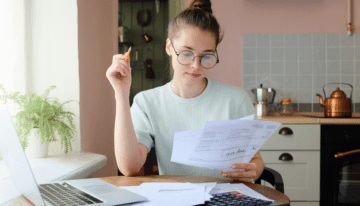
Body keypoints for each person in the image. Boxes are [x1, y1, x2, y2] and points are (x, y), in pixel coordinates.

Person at [106, 0, 264, 183]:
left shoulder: (236, 100)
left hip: (225, 196)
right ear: (168, 47)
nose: (196, 66)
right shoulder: (147, 102)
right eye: (187, 53)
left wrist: (255, 170)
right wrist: (121, 93)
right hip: (175, 197)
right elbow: (129, 168)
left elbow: (256, 160)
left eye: (206, 56)